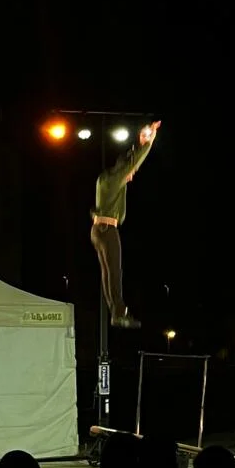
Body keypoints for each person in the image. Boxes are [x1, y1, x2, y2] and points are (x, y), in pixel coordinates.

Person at [90, 120, 161, 328]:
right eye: (130, 173)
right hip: (107, 230)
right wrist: (148, 143)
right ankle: (119, 313)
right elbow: (133, 163)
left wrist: (137, 144)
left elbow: (129, 162)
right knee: (114, 273)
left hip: (97, 230)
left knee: (108, 273)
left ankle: (116, 312)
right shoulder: (114, 180)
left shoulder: (105, 178)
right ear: (123, 170)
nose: (131, 177)